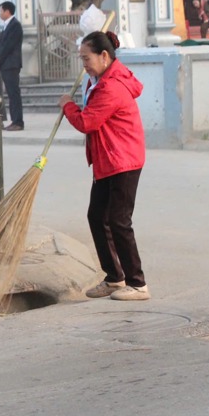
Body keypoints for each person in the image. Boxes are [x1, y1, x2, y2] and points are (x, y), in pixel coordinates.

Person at [58, 30, 149, 301]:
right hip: (107, 158)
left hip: (123, 159)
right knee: (97, 216)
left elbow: (87, 122)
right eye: (81, 59)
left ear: (104, 56)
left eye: (86, 58)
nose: (83, 64)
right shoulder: (98, 79)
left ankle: (138, 283)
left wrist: (67, 107)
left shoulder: (112, 86)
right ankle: (114, 278)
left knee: (119, 220)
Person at [0, 1, 24, 131]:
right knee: (10, 93)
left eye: (1, 11)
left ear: (7, 11)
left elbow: (8, 46)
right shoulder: (6, 25)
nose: (0, 13)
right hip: (5, 65)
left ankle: (18, 122)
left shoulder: (15, 26)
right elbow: (0, 44)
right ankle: (15, 120)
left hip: (11, 64)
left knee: (14, 93)